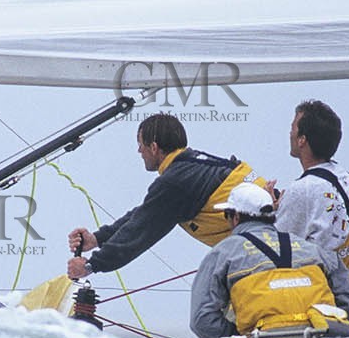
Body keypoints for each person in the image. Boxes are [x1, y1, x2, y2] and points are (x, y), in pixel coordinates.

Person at [189, 182, 349, 338]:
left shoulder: (224, 252)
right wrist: (335, 336)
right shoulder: (313, 249)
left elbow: (201, 320)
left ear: (236, 218)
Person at [68, 113, 269, 279]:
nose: (139, 151)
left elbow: (139, 233)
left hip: (260, 253)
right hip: (276, 239)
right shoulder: (196, 164)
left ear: (154, 147)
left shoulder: (175, 182)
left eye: (140, 144)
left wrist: (91, 265)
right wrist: (97, 239)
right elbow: (145, 213)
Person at [273, 100, 349, 303]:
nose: (289, 133)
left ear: (302, 140)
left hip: (321, 296)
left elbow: (276, 248)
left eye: (293, 127)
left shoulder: (303, 189)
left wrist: (268, 211)